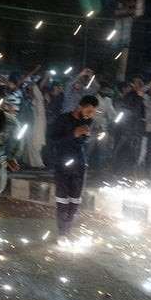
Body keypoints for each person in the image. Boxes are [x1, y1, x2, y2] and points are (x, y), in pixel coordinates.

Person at [51, 95, 98, 245]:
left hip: (79, 164)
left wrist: (87, 135)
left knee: (75, 201)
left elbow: (84, 141)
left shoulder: (88, 121)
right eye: (89, 110)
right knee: (62, 200)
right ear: (80, 106)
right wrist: (73, 134)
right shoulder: (63, 119)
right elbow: (53, 139)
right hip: (62, 163)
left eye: (93, 112)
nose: (90, 114)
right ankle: (62, 233)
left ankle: (67, 231)